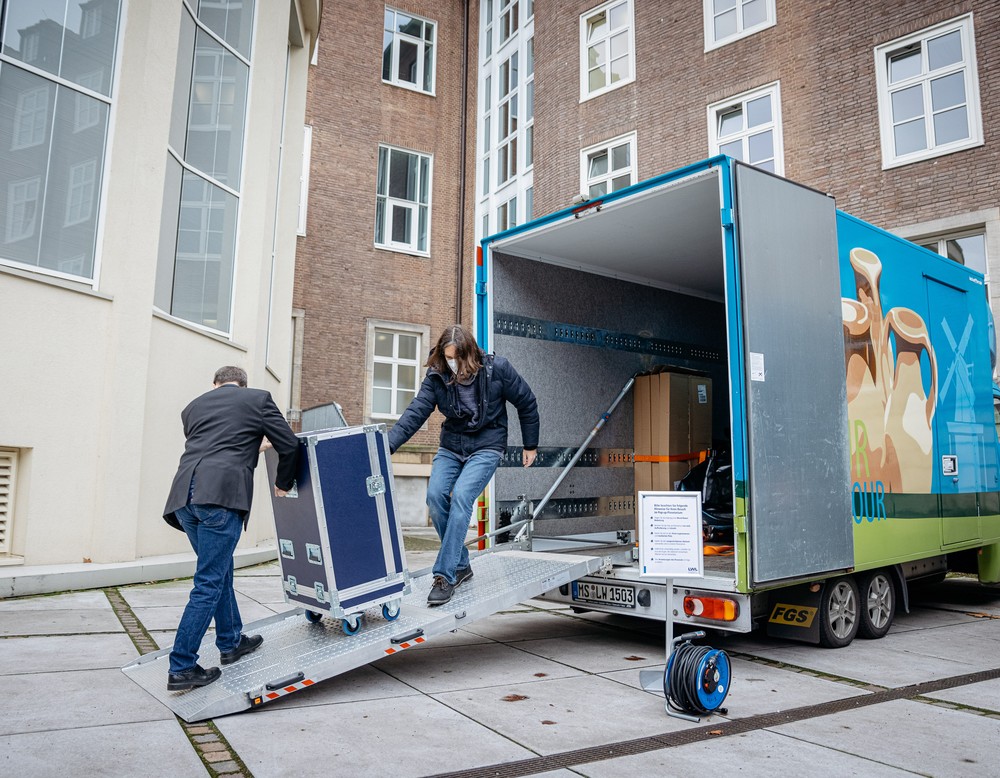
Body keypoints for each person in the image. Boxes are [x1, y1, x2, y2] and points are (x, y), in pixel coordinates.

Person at [162, 366, 300, 691]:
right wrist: (283, 483)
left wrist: (253, 446)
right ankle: (181, 666)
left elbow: (216, 446)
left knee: (220, 572)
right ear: (243, 385)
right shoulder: (258, 399)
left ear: (215, 384)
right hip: (220, 499)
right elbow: (290, 444)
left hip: (184, 500)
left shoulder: (193, 407)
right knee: (208, 583)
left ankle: (231, 642)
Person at [389, 324, 538, 606]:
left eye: (457, 358)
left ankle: (445, 575)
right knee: (435, 497)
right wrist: (388, 445)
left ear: (469, 354)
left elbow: (527, 402)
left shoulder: (497, 369)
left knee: (461, 497)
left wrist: (530, 445)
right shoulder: (437, 374)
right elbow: (417, 411)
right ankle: (461, 563)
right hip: (452, 446)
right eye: (447, 358)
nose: (452, 364)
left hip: (487, 445)